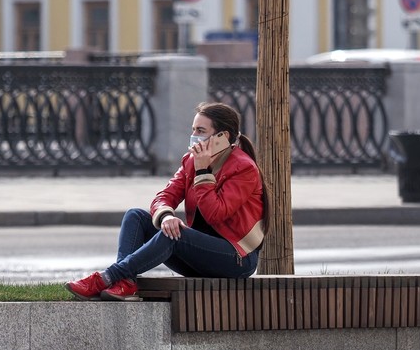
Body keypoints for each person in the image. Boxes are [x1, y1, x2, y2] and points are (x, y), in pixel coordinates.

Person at [65, 102, 269, 301]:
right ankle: (126, 282)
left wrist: (203, 172)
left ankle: (106, 278)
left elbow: (215, 213)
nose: (194, 136)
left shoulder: (243, 168)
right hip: (200, 254)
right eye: (193, 130)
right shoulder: (190, 161)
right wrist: (166, 216)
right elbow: (164, 196)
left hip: (236, 260)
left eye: (200, 130)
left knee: (175, 235)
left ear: (222, 137)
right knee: (135, 216)